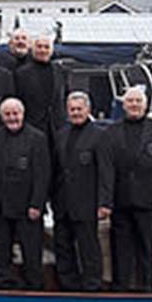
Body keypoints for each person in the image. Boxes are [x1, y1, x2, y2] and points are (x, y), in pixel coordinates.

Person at [107, 87, 152, 292]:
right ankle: (121, 287)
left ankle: (147, 287)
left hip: (148, 198)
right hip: (120, 198)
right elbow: (108, 168)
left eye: (138, 101)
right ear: (124, 105)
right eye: (130, 101)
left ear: (145, 104)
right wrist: (106, 200)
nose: (134, 105)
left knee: (147, 246)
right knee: (120, 247)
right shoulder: (112, 130)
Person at [51, 92, 113, 291]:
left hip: (88, 202)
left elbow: (106, 171)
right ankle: (67, 284)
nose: (76, 113)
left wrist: (105, 202)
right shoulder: (60, 134)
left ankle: (92, 285)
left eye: (79, 109)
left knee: (88, 248)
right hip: (62, 202)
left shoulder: (100, 135)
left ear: (88, 110)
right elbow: (56, 170)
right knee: (62, 246)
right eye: (72, 109)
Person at [0, 98, 50, 290]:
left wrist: (37, 204)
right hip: (2, 205)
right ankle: (3, 285)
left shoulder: (37, 138)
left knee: (32, 253)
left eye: (15, 113)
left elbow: (43, 175)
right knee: (0, 251)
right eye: (7, 114)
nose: (12, 118)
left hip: (28, 206)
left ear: (23, 114)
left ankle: (34, 288)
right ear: (1, 117)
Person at [15, 35, 67, 140]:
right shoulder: (21, 73)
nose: (43, 50)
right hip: (33, 126)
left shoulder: (59, 70)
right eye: (39, 47)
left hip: (56, 126)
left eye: (46, 47)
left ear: (51, 51)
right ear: (33, 49)